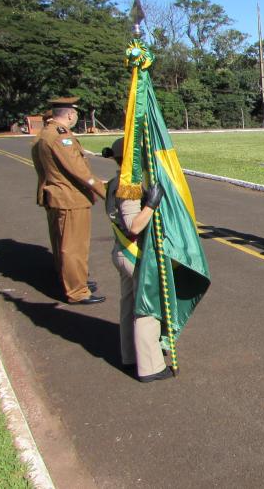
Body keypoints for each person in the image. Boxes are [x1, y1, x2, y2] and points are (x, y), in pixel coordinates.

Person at [103, 138, 171, 382]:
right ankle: (151, 365)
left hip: (121, 252)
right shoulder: (129, 184)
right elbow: (134, 226)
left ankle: (130, 355)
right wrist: (151, 204)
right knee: (147, 308)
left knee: (128, 306)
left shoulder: (114, 182)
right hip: (134, 253)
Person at [31, 97, 107, 304]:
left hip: (56, 195)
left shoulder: (44, 134)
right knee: (74, 247)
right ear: (71, 114)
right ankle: (77, 290)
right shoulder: (60, 137)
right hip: (69, 198)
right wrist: (104, 190)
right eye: (75, 114)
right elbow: (78, 170)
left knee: (62, 242)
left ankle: (73, 280)